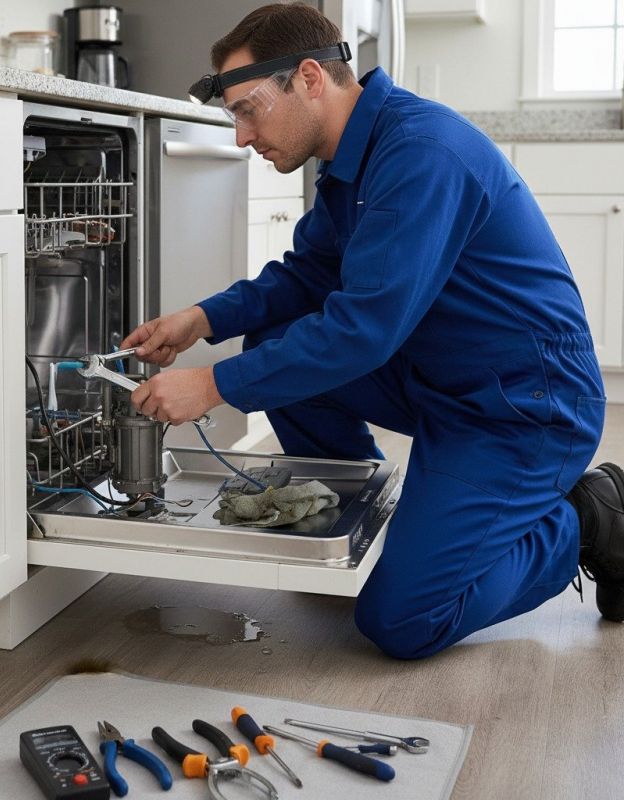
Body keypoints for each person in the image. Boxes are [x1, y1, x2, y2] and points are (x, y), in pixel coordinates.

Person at [120, 3, 624, 659]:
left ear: (307, 78)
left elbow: (364, 331)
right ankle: (353, 517)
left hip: (524, 405)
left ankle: (590, 518)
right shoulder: (354, 158)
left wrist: (213, 386)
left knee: (403, 620)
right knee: (272, 343)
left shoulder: (420, 153)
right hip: (441, 384)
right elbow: (308, 275)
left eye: (247, 109)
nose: (241, 136)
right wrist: (204, 319)